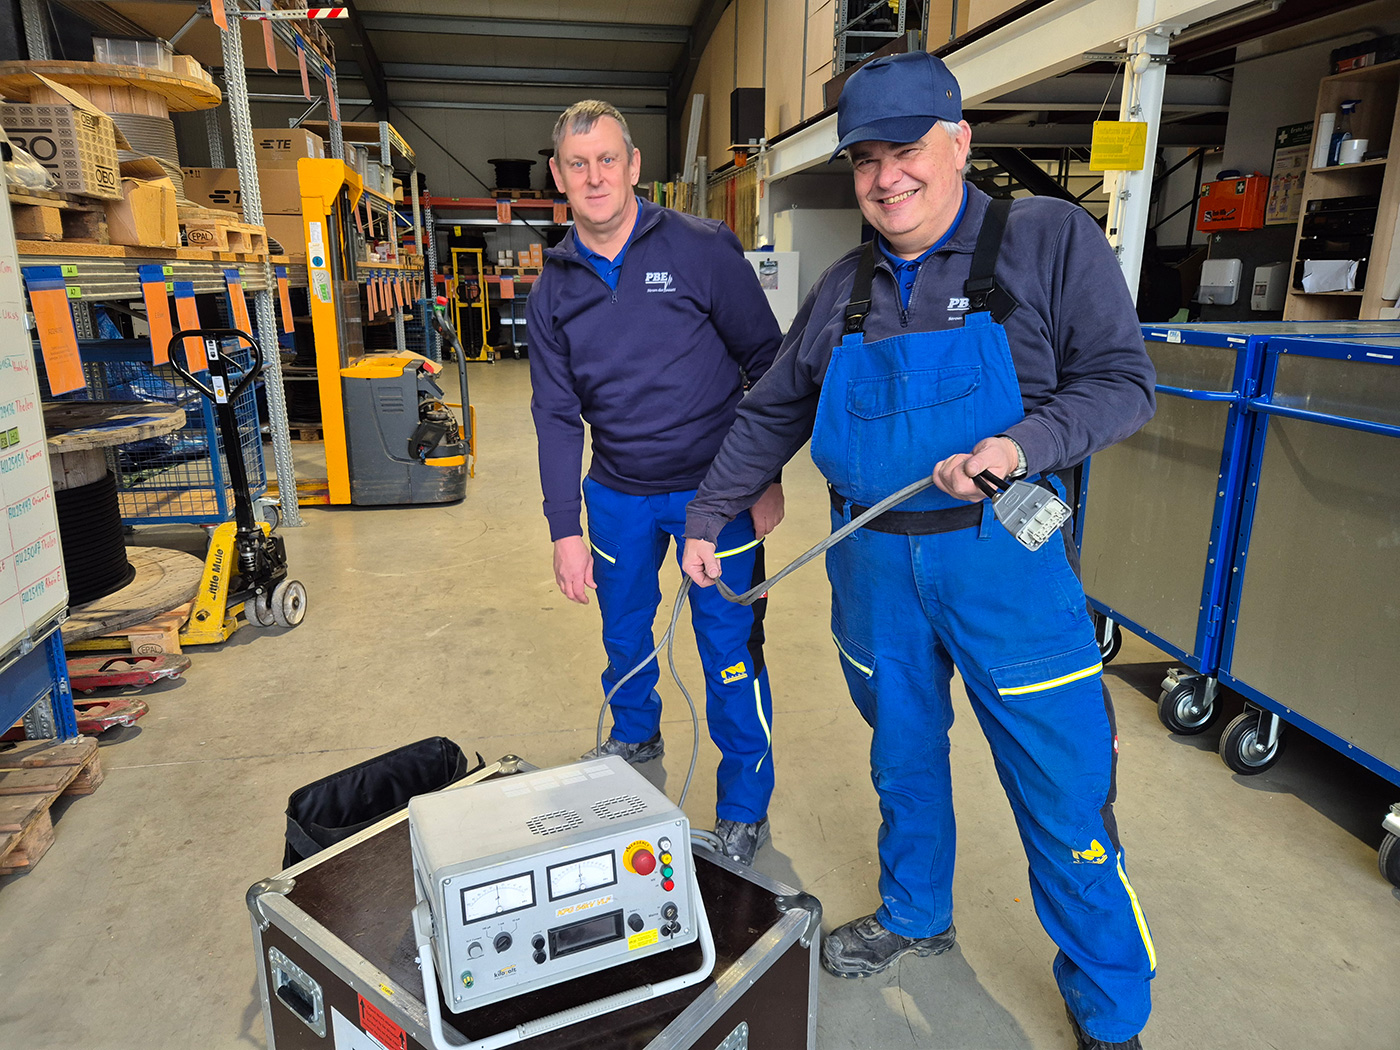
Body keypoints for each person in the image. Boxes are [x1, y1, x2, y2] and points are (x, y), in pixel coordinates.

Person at [680, 53, 1158, 1049]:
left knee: (1063, 789)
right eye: (864, 159)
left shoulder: (1046, 239)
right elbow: (772, 409)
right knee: (901, 759)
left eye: (905, 150)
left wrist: (1020, 444)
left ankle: (1110, 1010)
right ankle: (913, 912)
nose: (884, 177)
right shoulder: (843, 287)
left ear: (960, 144)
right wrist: (708, 515)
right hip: (872, 571)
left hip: (1004, 566)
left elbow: (1122, 383)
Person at [528, 100, 786, 866]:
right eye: (578, 164)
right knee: (623, 632)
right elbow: (555, 415)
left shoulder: (703, 250)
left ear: (635, 166)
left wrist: (763, 476)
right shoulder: (553, 289)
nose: (595, 176)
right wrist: (564, 528)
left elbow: (768, 362)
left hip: (717, 494)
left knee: (729, 650)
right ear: (558, 176)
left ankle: (744, 804)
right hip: (617, 495)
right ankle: (635, 732)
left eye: (608, 159)